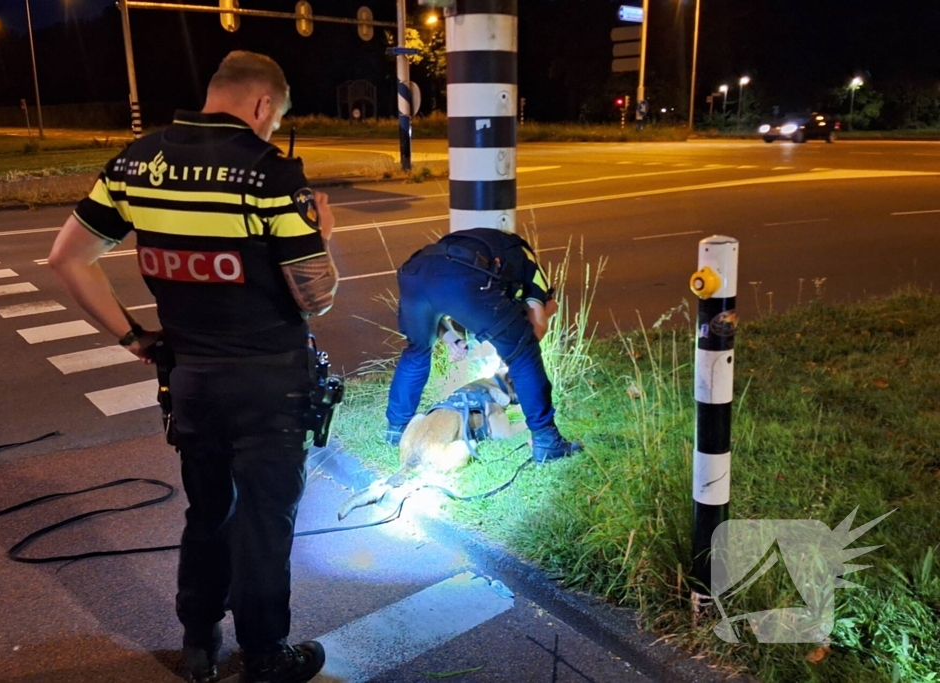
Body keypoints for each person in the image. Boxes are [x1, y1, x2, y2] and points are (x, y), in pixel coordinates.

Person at [48, 51, 337, 683]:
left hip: (192, 380)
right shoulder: (270, 174)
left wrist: (133, 337)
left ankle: (199, 645)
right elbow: (316, 295)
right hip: (269, 384)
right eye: (276, 117)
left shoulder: (134, 163)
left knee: (208, 511)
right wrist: (325, 234)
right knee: (265, 521)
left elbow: (68, 258)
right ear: (264, 105)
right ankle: (265, 655)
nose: (271, 127)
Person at [385, 228, 583, 464]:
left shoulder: (488, 249)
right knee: (524, 354)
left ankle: (397, 430)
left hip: (415, 274)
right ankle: (547, 441)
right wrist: (515, 344)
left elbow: (436, 300)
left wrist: (452, 339)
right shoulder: (530, 265)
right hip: (462, 277)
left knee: (417, 352)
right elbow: (538, 326)